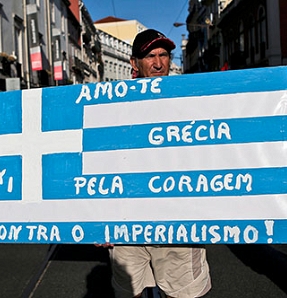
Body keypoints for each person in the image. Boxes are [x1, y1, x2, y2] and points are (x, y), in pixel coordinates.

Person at [97, 29, 212, 298]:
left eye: (164, 55)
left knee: (183, 294)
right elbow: (99, 163)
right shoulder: (113, 107)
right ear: (134, 63)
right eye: (150, 56)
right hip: (127, 229)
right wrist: (98, 220)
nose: (159, 63)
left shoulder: (192, 101)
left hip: (179, 226)